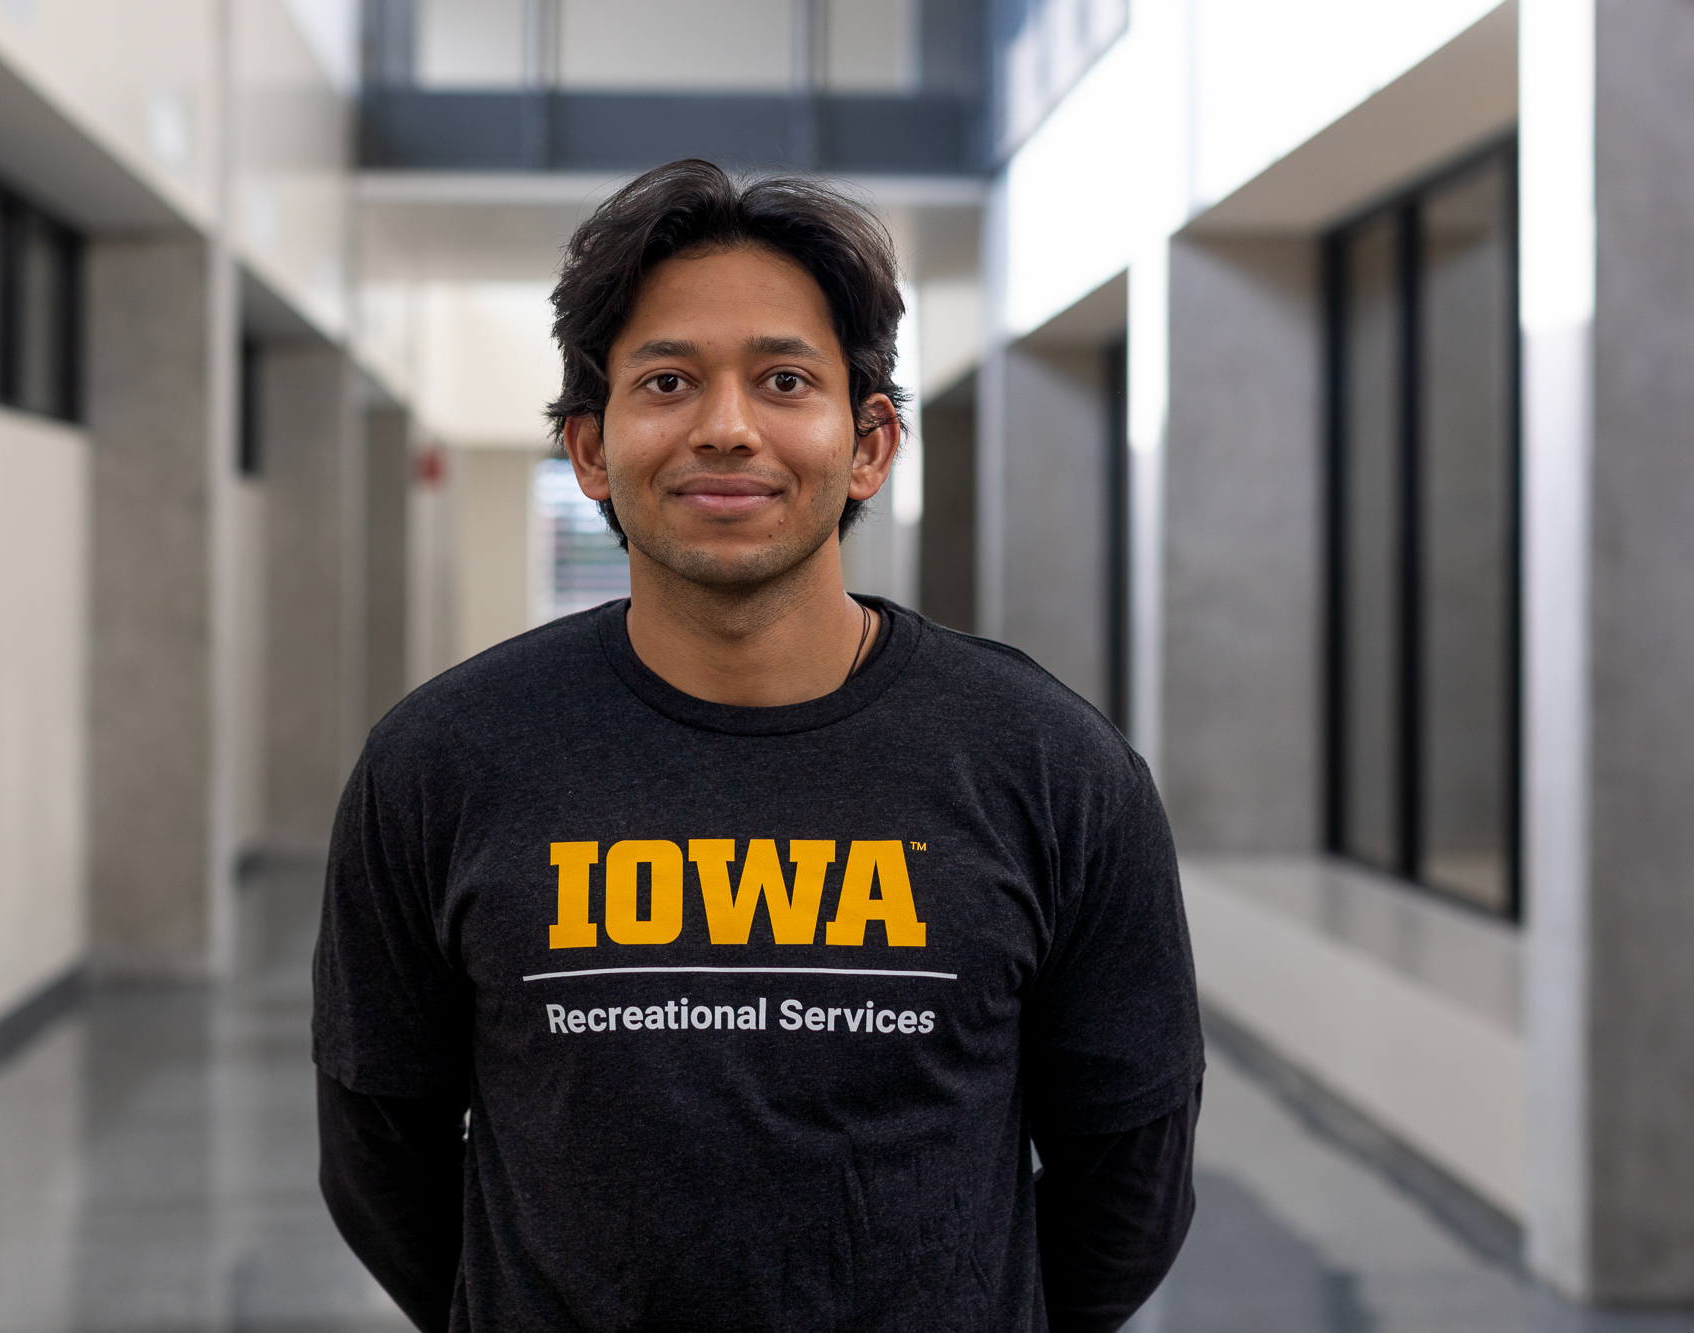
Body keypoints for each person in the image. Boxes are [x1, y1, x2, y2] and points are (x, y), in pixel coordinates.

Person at [314, 158, 1203, 1333]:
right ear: (589, 449)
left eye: (783, 379)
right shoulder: (442, 762)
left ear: (870, 443)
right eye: (668, 380)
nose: (725, 428)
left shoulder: (1047, 765)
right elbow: (379, 1151)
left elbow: (1127, 1179)